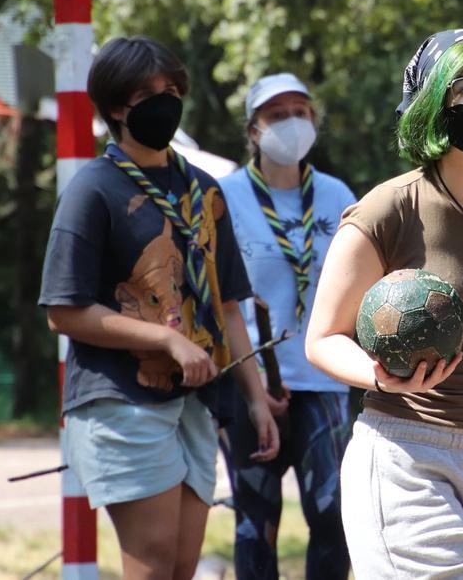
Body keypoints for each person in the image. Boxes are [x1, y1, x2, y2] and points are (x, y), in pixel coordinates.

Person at [304, 28, 463, 578]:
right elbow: (321, 339)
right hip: (404, 456)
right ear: (432, 107)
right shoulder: (387, 209)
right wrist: (380, 377)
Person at [39, 35, 279, 580]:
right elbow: (63, 310)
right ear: (117, 108)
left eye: (172, 88)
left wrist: (257, 400)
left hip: (199, 403)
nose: (165, 100)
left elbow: (230, 309)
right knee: (150, 569)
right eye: (148, 92)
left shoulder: (206, 192)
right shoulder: (92, 189)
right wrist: (166, 340)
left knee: (179, 568)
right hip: (121, 401)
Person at [215, 72, 357, 579]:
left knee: (333, 514)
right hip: (250, 383)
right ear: (253, 131)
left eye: (301, 112)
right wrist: (247, 386)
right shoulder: (224, 197)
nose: (291, 123)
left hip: (324, 381)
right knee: (257, 520)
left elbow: (360, 288)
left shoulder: (338, 194)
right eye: (277, 116)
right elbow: (217, 298)